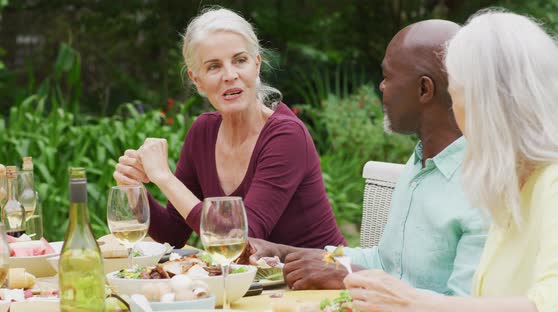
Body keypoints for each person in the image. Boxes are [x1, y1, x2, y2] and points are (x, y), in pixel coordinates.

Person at [240, 19, 487, 295]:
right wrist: (282, 252)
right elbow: (383, 262)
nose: (381, 87)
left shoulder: (483, 188)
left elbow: (462, 304)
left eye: (388, 76)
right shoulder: (421, 162)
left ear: (424, 89)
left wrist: (349, 276)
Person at [344, 10, 558, 312]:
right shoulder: (505, 183)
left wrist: (414, 302)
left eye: (456, 91)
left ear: (486, 100)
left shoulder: (551, 181)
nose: (454, 108)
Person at [113, 8, 346, 249]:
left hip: (322, 280)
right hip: (259, 282)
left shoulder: (286, 136)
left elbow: (241, 238)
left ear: (256, 65)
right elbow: (173, 233)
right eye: (214, 66)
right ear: (197, 79)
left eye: (240, 60)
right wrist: (133, 189)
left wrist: (164, 178)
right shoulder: (203, 132)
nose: (230, 75)